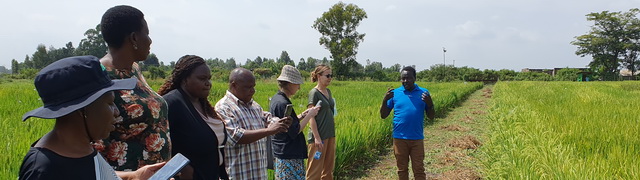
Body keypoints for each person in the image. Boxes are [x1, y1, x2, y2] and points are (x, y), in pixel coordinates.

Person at [19, 56, 167, 180]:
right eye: (110, 103)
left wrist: (133, 176)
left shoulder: (81, 147)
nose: (116, 112)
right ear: (82, 109)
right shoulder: (43, 170)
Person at [96, 5, 171, 171]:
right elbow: (93, 150)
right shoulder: (100, 78)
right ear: (134, 38)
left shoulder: (135, 69)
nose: (150, 40)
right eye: (147, 34)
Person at [158, 55, 229, 180]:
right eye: (202, 79)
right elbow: (160, 144)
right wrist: (181, 167)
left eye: (209, 79)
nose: (208, 84)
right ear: (185, 79)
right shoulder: (171, 103)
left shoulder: (201, 103)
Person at [214, 68, 291, 180]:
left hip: (259, 175)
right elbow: (236, 136)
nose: (253, 90)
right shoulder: (223, 108)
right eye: (248, 87)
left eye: (253, 86)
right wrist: (269, 131)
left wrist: (280, 123)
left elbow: (267, 118)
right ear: (234, 85)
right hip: (239, 175)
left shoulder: (254, 105)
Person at [379, 66, 435, 180]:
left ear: (414, 78)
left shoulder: (424, 93)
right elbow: (383, 115)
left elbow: (431, 117)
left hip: (417, 138)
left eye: (408, 78)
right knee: (402, 170)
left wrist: (430, 104)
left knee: (419, 170)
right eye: (403, 78)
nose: (405, 81)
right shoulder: (395, 93)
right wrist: (385, 100)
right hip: (399, 139)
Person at [269, 65, 320, 180]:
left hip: (283, 152)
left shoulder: (277, 99)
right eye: (297, 84)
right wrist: (310, 115)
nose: (299, 88)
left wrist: (302, 115)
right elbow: (295, 130)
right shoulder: (283, 103)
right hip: (288, 155)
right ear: (289, 83)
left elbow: (287, 123)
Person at [306, 64, 337, 180]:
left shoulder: (328, 91)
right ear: (319, 76)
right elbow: (311, 116)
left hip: (330, 134)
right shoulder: (314, 93)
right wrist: (317, 137)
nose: (330, 78)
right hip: (318, 138)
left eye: (331, 75)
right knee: (315, 169)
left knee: (328, 170)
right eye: (327, 75)